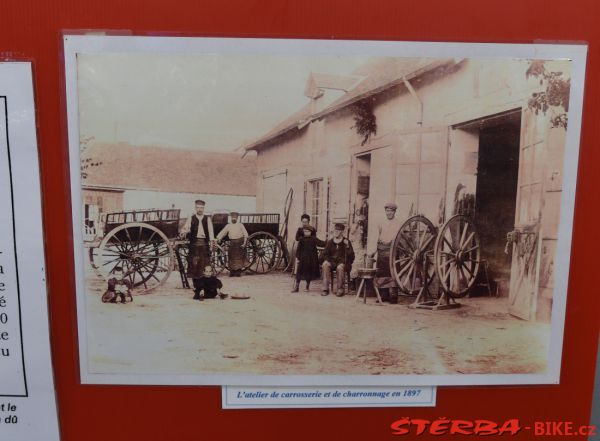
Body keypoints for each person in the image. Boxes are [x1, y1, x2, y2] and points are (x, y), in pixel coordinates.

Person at [368, 202, 402, 303]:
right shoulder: (381, 222)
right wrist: (373, 251)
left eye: (391, 211)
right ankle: (383, 296)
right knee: (382, 272)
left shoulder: (398, 223)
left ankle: (393, 296)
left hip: (393, 251)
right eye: (387, 211)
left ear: (394, 212)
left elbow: (400, 237)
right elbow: (375, 237)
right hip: (382, 251)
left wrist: (392, 243)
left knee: (393, 272)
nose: (388, 213)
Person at [180, 200, 216, 294]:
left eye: (201, 207)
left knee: (204, 264)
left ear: (204, 208)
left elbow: (211, 231)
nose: (200, 209)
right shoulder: (191, 218)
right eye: (198, 207)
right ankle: (195, 285)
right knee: (194, 264)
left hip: (204, 244)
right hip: (194, 244)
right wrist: (184, 232)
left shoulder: (207, 219)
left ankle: (205, 285)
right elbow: (186, 227)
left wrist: (212, 241)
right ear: (195, 208)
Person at [322, 223, 355, 297]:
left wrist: (347, 246)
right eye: (335, 230)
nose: (336, 232)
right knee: (325, 264)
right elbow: (325, 254)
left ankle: (340, 289)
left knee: (340, 267)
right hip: (332, 262)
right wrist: (327, 260)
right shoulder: (330, 242)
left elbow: (352, 256)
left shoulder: (346, 242)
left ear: (342, 232)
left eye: (338, 230)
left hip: (343, 263)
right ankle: (325, 289)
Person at [216, 212, 249, 277]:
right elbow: (223, 233)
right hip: (232, 243)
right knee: (231, 257)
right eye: (232, 217)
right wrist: (217, 238)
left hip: (240, 243)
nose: (234, 219)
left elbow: (246, 234)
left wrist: (244, 243)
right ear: (231, 218)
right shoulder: (228, 225)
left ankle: (238, 272)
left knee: (239, 258)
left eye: (235, 217)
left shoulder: (240, 225)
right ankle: (232, 272)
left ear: (237, 218)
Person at [292, 226, 324, 292]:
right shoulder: (301, 239)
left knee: (308, 274)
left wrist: (328, 241)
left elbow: (321, 243)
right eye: (305, 231)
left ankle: (307, 286)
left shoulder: (314, 239)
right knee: (299, 273)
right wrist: (298, 257)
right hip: (303, 258)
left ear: (311, 232)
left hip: (311, 259)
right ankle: (296, 287)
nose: (306, 233)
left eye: (308, 231)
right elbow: (298, 249)